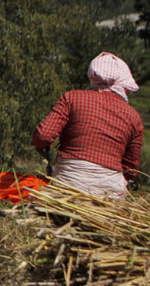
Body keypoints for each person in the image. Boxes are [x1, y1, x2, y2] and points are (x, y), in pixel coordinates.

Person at [31, 52, 144, 199]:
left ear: (92, 75)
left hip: (67, 187)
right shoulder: (134, 117)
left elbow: (43, 136)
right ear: (123, 79)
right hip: (109, 194)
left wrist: (41, 147)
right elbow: (131, 171)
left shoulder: (72, 98)